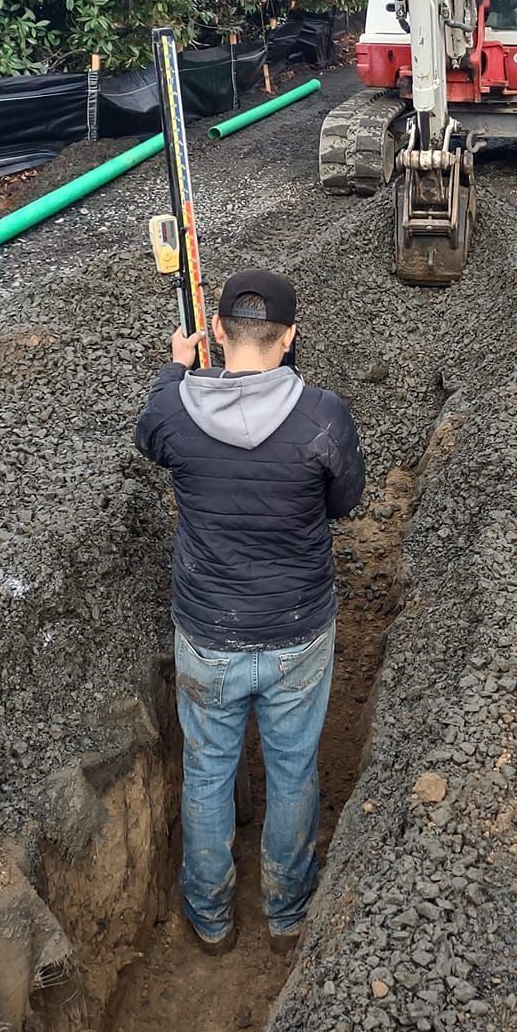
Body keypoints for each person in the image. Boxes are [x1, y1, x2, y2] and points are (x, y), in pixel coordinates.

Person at [135, 269, 365, 957]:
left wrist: (173, 369)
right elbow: (344, 503)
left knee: (208, 771)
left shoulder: (175, 409)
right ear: (290, 337)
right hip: (297, 630)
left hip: (208, 633)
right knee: (294, 769)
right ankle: (288, 913)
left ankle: (210, 920)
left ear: (215, 333)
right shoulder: (323, 416)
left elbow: (149, 437)